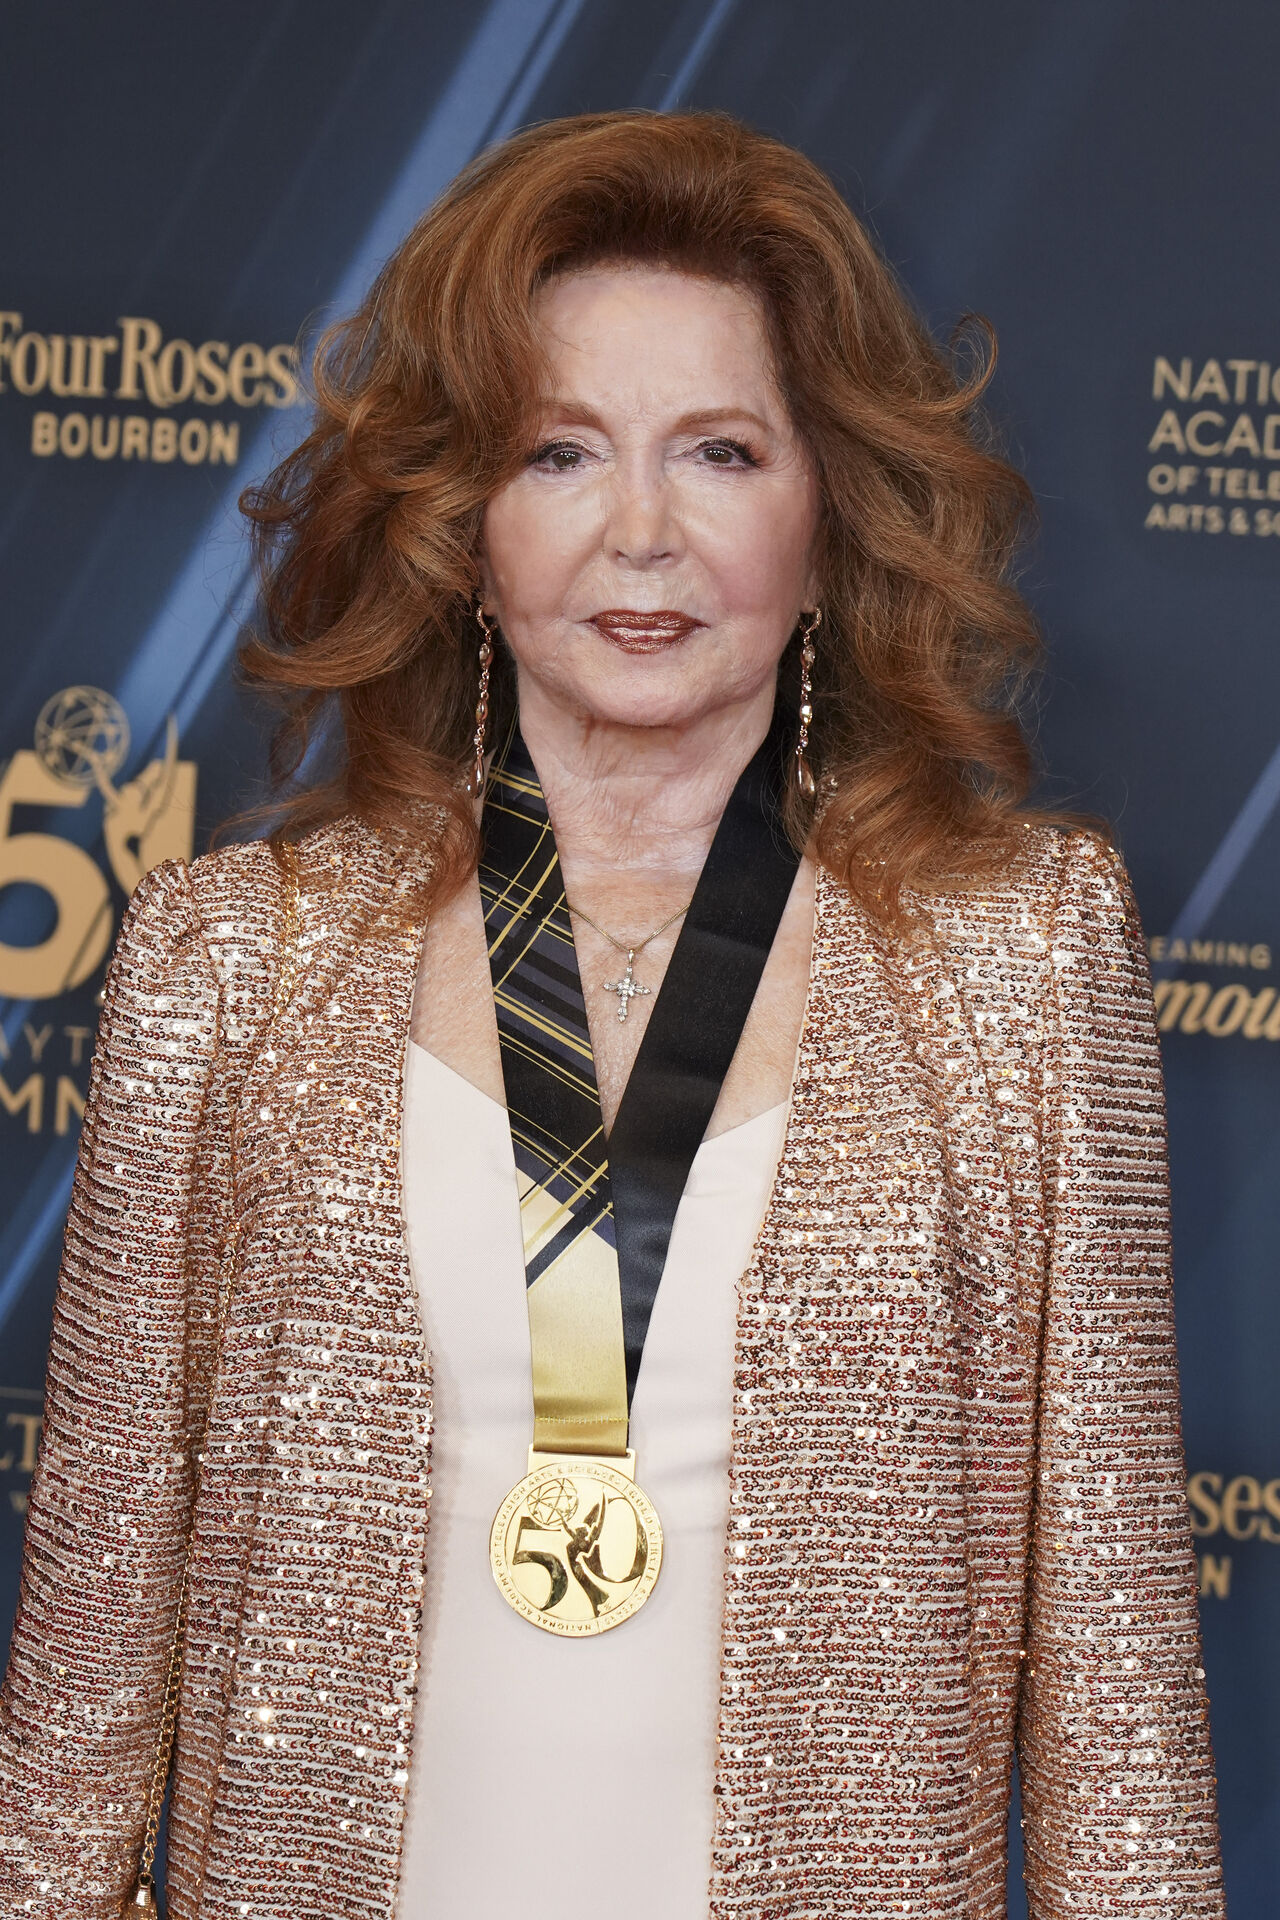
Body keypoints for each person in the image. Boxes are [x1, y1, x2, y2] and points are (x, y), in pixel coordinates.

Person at [0, 110, 1224, 1920]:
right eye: (559, 453)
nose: (641, 533)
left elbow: (1118, 1669)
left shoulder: (1023, 957)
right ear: (464, 523)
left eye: (718, 451)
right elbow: (88, 1658)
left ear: (826, 512)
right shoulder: (227, 961)